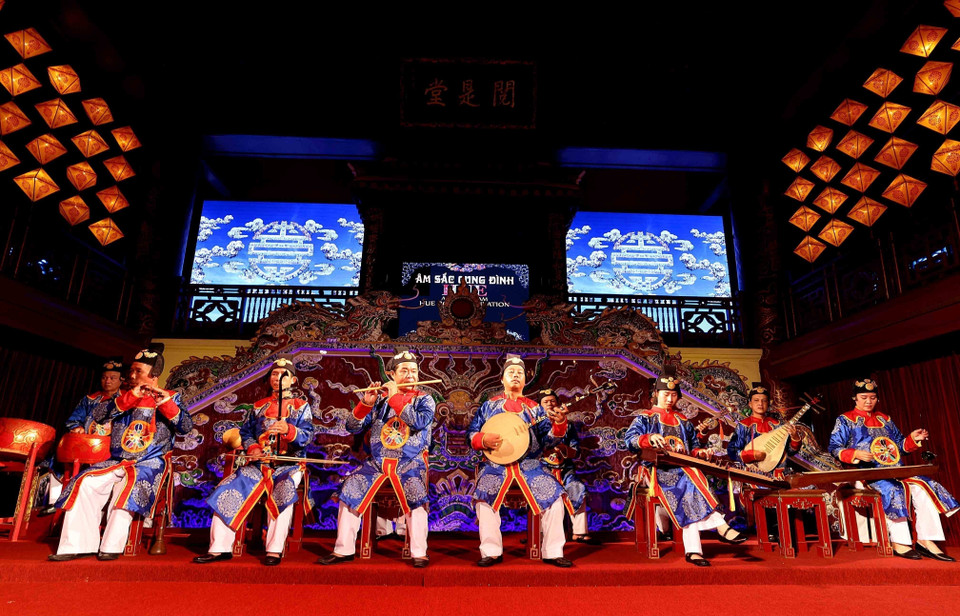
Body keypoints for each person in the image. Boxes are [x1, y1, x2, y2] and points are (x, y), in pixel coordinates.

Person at [48, 343, 193, 561]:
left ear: (153, 375)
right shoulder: (124, 396)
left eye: (138, 371)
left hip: (150, 462)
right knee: (86, 482)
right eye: (131, 371)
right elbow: (98, 415)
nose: (132, 375)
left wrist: (165, 403)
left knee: (127, 488)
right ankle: (77, 545)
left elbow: (186, 427)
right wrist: (127, 399)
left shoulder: (171, 396)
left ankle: (111, 546)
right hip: (117, 460)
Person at [318, 350, 434, 567]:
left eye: (414, 371)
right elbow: (352, 427)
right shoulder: (380, 401)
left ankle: (419, 552)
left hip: (410, 462)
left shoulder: (425, 399)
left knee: (416, 493)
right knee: (350, 487)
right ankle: (343, 549)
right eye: (404, 371)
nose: (410, 375)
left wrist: (395, 398)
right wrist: (366, 404)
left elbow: (419, 422)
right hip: (378, 463)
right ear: (391, 375)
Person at [195, 357, 315, 566]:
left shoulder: (301, 406)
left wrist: (289, 430)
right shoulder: (258, 406)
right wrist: (253, 448)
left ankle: (274, 549)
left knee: (284, 491)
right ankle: (219, 548)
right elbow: (246, 432)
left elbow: (308, 436)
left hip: (288, 464)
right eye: (274, 374)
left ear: (293, 381)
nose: (278, 378)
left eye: (283, 375)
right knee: (228, 488)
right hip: (259, 465)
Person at [828, 377, 958, 561]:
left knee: (924, 485)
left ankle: (926, 540)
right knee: (893, 489)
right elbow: (834, 447)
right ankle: (900, 542)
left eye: (872, 397)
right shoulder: (845, 420)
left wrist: (912, 439)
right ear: (854, 398)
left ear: (877, 399)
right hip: (867, 474)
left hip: (894, 470)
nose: (868, 401)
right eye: (863, 397)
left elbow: (898, 447)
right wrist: (855, 453)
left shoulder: (885, 419)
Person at [624, 374, 745, 567]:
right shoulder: (645, 417)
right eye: (665, 394)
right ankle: (720, 527)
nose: (670, 399)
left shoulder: (683, 420)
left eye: (673, 395)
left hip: (682, 470)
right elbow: (629, 440)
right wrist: (648, 438)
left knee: (691, 479)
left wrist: (703, 452)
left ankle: (695, 550)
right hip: (655, 470)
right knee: (691, 477)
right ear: (656, 394)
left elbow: (693, 447)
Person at [468, 355, 572, 568]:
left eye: (520, 373)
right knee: (484, 496)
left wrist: (560, 424)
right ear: (502, 378)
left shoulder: (535, 408)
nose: (515, 376)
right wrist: (481, 439)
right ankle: (491, 550)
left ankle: (553, 551)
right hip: (496, 466)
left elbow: (548, 440)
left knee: (555, 496)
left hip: (530, 465)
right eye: (511, 373)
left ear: (526, 380)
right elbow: (472, 432)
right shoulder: (489, 406)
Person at [38, 357, 124, 516]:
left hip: (110, 450)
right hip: (85, 444)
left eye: (112, 378)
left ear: (121, 380)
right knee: (56, 460)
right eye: (104, 377)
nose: (107, 381)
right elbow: (74, 419)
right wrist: (77, 428)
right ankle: (56, 502)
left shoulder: (125, 400)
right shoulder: (90, 399)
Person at [726, 385, 802, 541]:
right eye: (756, 400)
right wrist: (749, 455)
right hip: (754, 474)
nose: (760, 404)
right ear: (749, 404)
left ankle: (784, 529)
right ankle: (768, 528)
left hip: (778, 473)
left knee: (797, 489)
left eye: (764, 401)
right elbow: (732, 450)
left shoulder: (777, 425)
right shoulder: (744, 425)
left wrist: (795, 438)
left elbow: (790, 451)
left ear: (769, 404)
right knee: (761, 491)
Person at [539, 390, 593, 543]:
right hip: (543, 470)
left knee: (577, 488)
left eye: (553, 401)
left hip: (565, 469)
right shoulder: (536, 425)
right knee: (541, 491)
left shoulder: (568, 426)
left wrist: (564, 449)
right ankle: (540, 533)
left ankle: (579, 532)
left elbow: (575, 450)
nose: (550, 403)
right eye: (546, 401)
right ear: (539, 406)